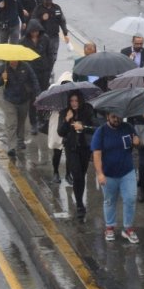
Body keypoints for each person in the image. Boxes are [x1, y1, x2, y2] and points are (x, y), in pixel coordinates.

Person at [91, 112, 140, 244]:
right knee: (109, 201)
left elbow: (136, 141)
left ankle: (128, 228)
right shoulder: (100, 132)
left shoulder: (128, 127)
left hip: (127, 172)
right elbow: (96, 154)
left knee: (130, 198)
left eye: (118, 116)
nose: (116, 119)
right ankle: (109, 227)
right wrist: (100, 173)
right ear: (108, 117)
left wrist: (137, 142)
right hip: (108, 174)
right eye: (113, 117)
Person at [58, 89, 96, 220]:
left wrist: (83, 127)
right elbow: (60, 132)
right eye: (71, 101)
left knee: (82, 176)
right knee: (77, 175)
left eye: (76, 101)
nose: (74, 103)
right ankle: (79, 204)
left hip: (85, 148)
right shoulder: (64, 112)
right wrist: (67, 120)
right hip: (71, 148)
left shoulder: (88, 110)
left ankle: (79, 199)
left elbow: (95, 128)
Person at [0, 59, 39, 155]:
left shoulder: (26, 66)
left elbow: (34, 79)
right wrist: (2, 78)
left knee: (21, 122)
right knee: (11, 123)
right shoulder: (4, 68)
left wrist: (35, 93)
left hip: (24, 100)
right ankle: (11, 147)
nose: (13, 61)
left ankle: (20, 140)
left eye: (15, 60)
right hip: (9, 101)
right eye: (11, 60)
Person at [19, 19, 51, 135]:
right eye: (32, 32)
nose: (35, 34)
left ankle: (42, 120)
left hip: (43, 73)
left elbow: (49, 54)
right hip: (30, 74)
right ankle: (33, 123)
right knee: (33, 99)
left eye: (36, 31)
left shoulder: (45, 39)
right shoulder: (23, 42)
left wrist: (48, 70)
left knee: (42, 98)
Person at [31, 0, 69, 65]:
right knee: (44, 54)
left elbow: (62, 20)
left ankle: (50, 68)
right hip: (42, 37)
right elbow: (33, 22)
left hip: (54, 36)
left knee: (54, 54)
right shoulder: (38, 9)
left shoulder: (57, 8)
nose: (48, 1)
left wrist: (65, 33)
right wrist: (41, 18)